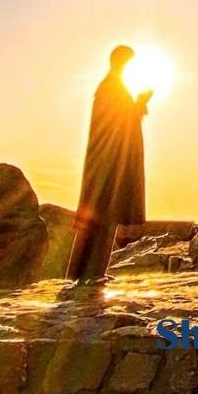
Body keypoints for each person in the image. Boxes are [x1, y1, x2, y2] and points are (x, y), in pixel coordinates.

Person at [65, 45, 151, 283]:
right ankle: (89, 273)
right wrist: (140, 104)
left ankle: (91, 272)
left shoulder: (113, 85)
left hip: (108, 159)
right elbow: (118, 121)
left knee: (102, 216)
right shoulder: (111, 87)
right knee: (102, 216)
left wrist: (136, 106)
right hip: (108, 160)